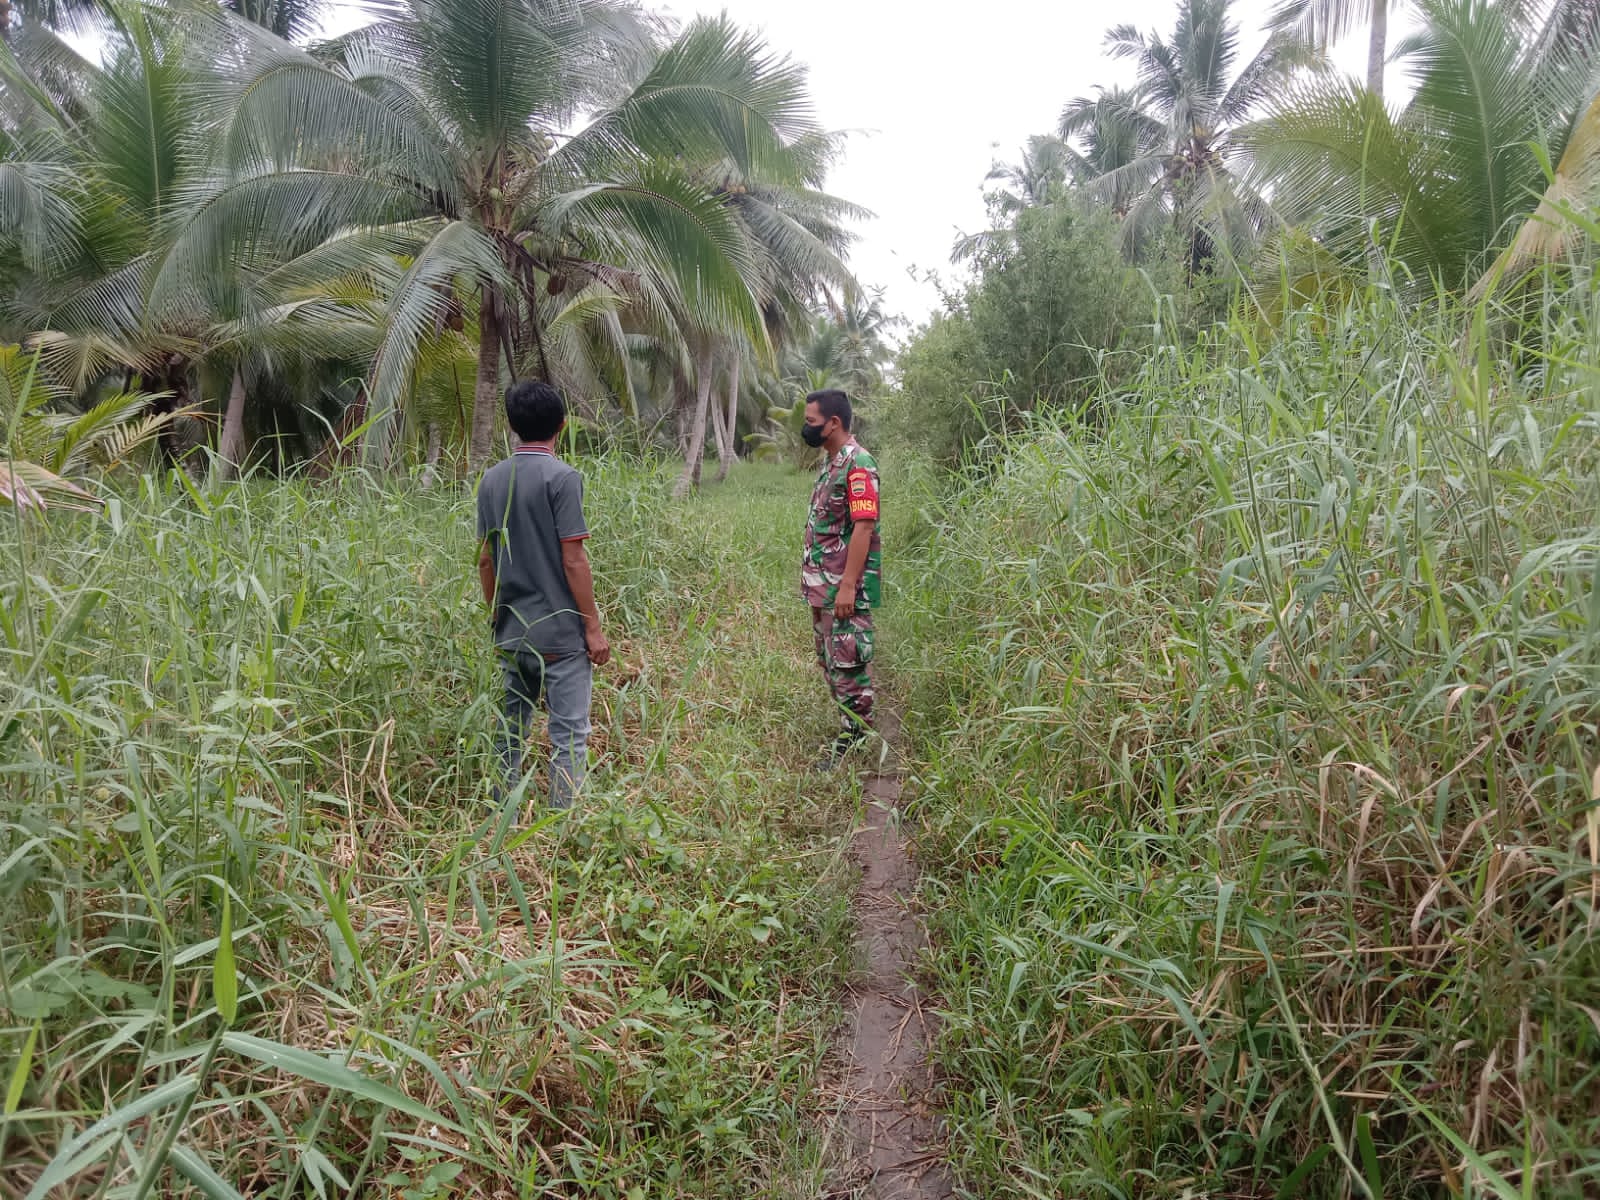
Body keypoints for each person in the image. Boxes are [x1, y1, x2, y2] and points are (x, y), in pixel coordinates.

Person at [476, 380, 611, 807]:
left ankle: (503, 815)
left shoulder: (492, 479)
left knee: (509, 731)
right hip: (560, 636)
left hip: (513, 630)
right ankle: (561, 825)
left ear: (513, 426)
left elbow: (485, 560)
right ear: (562, 425)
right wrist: (593, 628)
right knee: (569, 735)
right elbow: (573, 559)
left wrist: (496, 615)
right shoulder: (563, 477)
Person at [799, 387, 882, 766]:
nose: (806, 427)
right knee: (831, 662)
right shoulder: (831, 463)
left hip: (843, 587)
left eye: (811, 421)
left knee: (848, 663)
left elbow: (864, 527)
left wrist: (848, 586)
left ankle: (858, 739)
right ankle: (850, 731)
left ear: (833, 423)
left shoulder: (858, 464)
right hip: (824, 587)